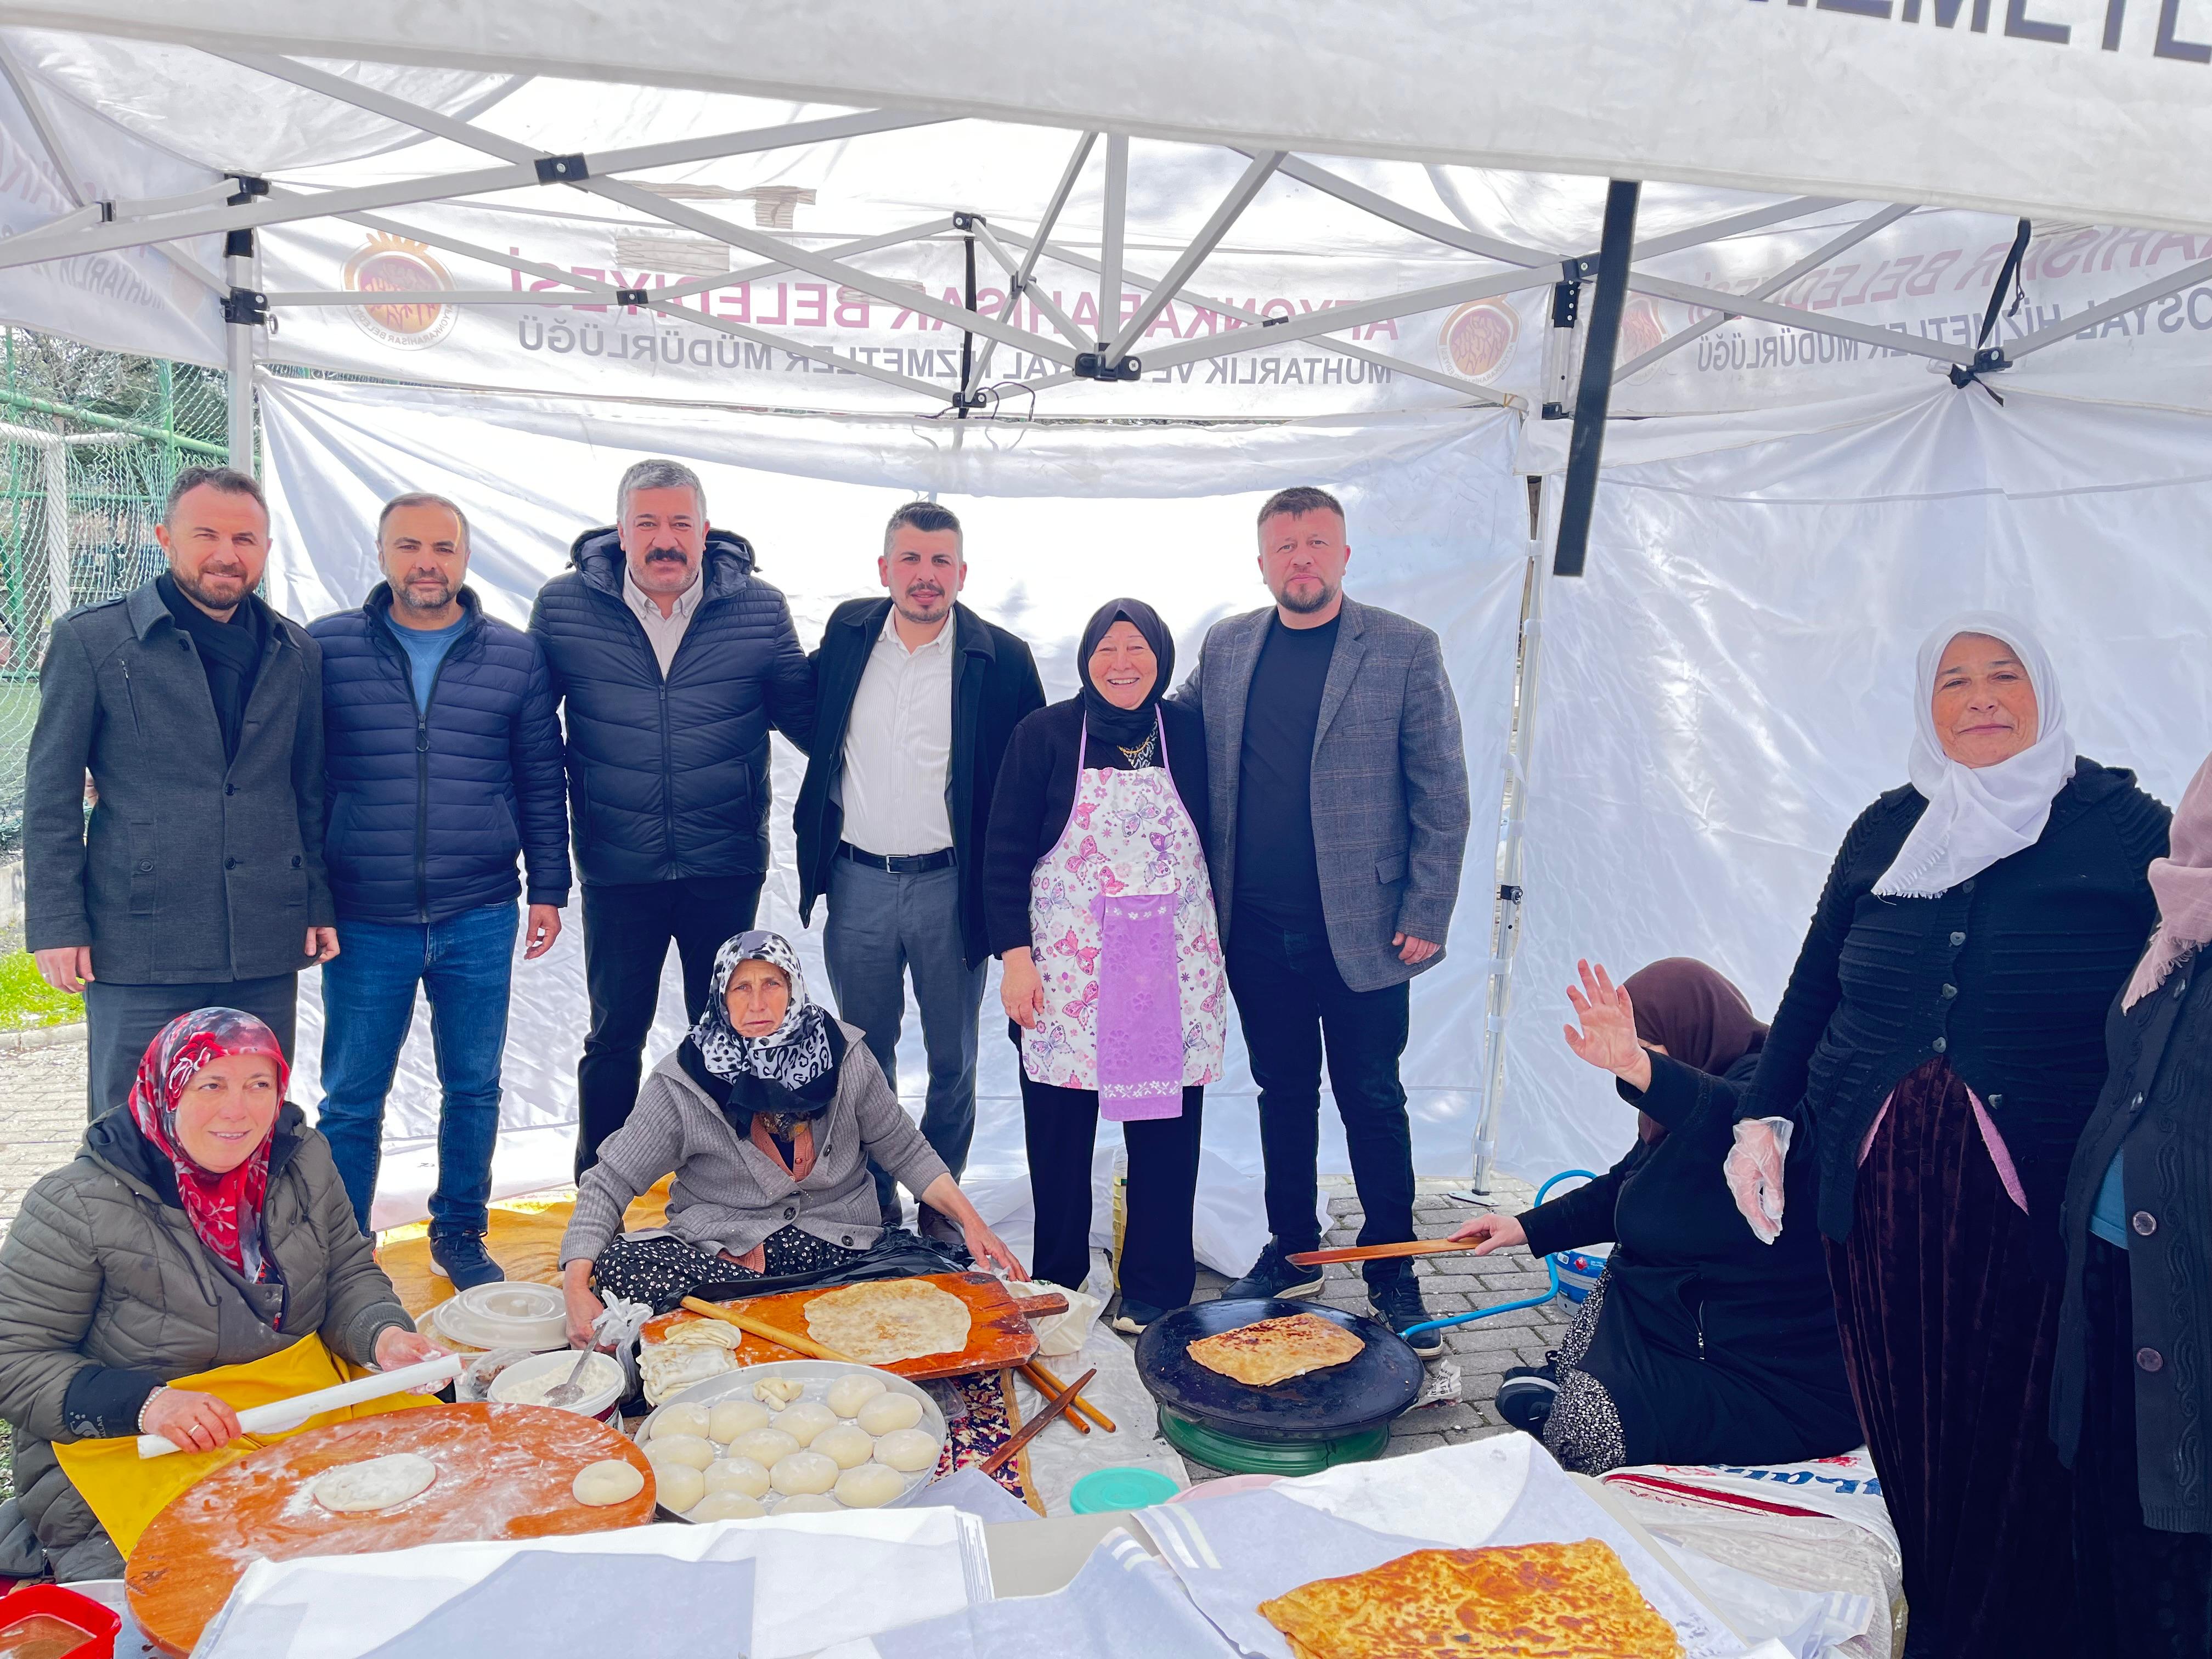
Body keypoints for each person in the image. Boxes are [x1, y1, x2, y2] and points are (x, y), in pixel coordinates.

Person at [1730, 614, 2168, 1659]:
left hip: (2036, 1186)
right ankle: (1935, 1597)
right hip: (1874, 1180)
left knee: (2022, 1428)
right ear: (1926, 708)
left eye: (2003, 674)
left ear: (2043, 690)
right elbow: (1811, 985)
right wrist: (1761, 1113)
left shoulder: (2116, 821)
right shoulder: (1888, 825)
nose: (1979, 697)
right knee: (1906, 1416)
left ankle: (2004, 1627)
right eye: (1953, 681)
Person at [1173, 485, 1470, 1354]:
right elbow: (1169, 731)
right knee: (1283, 1096)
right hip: (1256, 930)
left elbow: (1442, 792)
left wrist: (1426, 907)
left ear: (1344, 555)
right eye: (1284, 546)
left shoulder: (1405, 650)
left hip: (1372, 931)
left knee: (1373, 1099)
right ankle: (1295, 1250)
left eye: (1316, 543)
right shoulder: (1227, 647)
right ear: (1261, 561)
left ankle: (1392, 1267)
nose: (1300, 558)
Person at [0, 1009, 439, 1581]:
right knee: (236, 1569)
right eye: (212, 1085)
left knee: (434, 1497)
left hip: (298, 1397)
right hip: (145, 1432)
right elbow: (14, 1359)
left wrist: (382, 1335)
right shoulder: (76, 1204)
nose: (240, 1110)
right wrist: (149, 1405)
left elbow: (347, 1273)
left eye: (259, 1085)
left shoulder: (302, 1159)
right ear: (168, 1091)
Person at [1451, 960, 1859, 1474]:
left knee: (1584, 1430)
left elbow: (1735, 1122)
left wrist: (1642, 1069)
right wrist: (1526, 1226)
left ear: (1691, 1026)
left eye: (1647, 1043)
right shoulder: (1678, 1103)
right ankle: (1581, 1384)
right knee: (1618, 1278)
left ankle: (1588, 1400)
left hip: (1767, 1368)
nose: (1635, 1059)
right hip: (1687, 1328)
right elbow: (1628, 1184)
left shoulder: (1772, 1089)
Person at [307, 493, 571, 1288]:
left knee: (475, 1086)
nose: (429, 562)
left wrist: (549, 887)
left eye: (445, 548)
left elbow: (540, 776)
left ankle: (460, 1231)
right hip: (364, 917)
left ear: (465, 556)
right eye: (411, 546)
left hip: (480, 910)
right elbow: (303, 785)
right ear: (383, 553)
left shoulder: (516, 656)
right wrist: (312, 899)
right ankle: (348, 1252)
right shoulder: (325, 649)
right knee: (352, 1098)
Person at [23, 466, 339, 1117]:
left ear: (266, 550)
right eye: (207, 535)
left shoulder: (297, 652)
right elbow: (51, 794)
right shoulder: (93, 641)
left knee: (249, 1124)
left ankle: (240, 1227)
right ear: (166, 537)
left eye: (246, 539)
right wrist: (58, 923)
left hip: (263, 937)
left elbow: (308, 790)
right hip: (140, 939)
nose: (228, 554)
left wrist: (317, 901)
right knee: (130, 1125)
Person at [529, 458, 814, 1177]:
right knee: (615, 1034)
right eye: (649, 523)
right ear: (621, 531)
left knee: (727, 1029)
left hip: (724, 861)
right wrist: (547, 875)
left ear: (705, 530)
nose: (666, 539)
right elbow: (529, 738)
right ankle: (601, 1189)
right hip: (617, 862)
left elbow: (813, 720)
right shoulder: (563, 608)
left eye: (680, 523)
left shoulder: (758, 608)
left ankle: (725, 1186)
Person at [559, 932, 1023, 1338]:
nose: (757, 1004)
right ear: (721, 996)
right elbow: (610, 1180)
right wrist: (575, 1287)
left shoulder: (845, 1056)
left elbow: (905, 1149)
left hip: (840, 1250)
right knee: (621, 1268)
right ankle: (807, 1318)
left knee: (945, 1276)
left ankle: (755, 1324)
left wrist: (973, 1222)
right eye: (741, 988)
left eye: (771, 985)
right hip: (729, 1263)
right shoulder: (683, 1080)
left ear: (794, 988)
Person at [792, 501, 1043, 1236]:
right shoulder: (847, 633)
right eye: (910, 560)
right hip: (858, 881)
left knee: (954, 1057)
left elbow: (1032, 777)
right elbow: (806, 713)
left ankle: (941, 1207)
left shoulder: (1003, 658)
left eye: (940, 563)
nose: (925, 577)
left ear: (962, 573)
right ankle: (874, 1205)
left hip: (950, 887)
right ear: (885, 569)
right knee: (863, 1058)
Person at [985, 600, 1221, 1334]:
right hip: (1067, 971)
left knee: (1164, 1139)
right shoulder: (1045, 735)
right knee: (1059, 1135)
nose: (1124, 664)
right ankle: (1060, 1283)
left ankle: (1154, 1288)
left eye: (1139, 650)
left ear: (1161, 659)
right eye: (1109, 650)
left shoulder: (1187, 733)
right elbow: (1004, 856)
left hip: (1166, 966)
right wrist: (1015, 959)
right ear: (1088, 659)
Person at [2051, 748, 2212, 1659]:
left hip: (2189, 1298)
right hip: (2109, 1279)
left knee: (2176, 1564)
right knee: (2108, 1518)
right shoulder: (2172, 929)